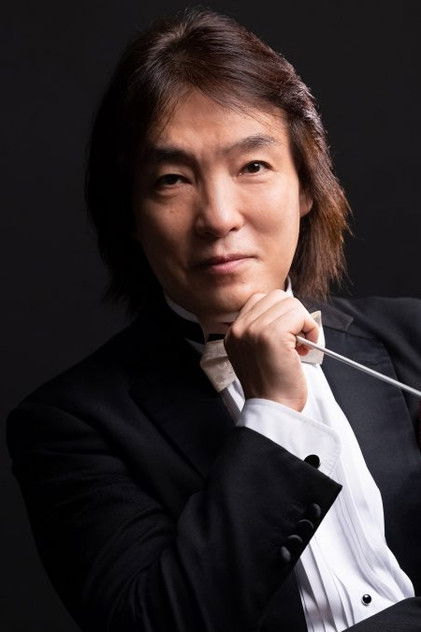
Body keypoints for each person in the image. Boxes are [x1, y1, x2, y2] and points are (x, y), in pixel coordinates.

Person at [7, 8, 421, 632]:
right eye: (172, 179)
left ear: (307, 186)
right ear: (130, 215)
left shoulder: (413, 339)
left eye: (253, 167)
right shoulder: (67, 426)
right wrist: (275, 412)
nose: (219, 217)